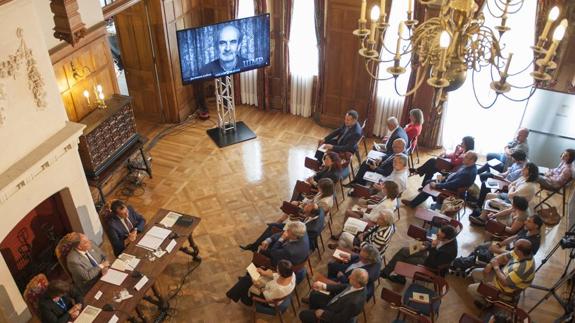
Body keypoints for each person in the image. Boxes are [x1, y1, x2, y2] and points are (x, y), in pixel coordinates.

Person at [241, 179, 334, 252]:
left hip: (299, 228)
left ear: (325, 189)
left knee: (276, 224)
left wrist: (300, 210)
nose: (318, 188)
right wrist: (301, 203)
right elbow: (312, 203)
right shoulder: (322, 194)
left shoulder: (324, 203)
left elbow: (309, 214)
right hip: (305, 218)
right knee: (290, 206)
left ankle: (258, 244)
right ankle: (256, 244)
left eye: (320, 187)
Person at [467, 239, 535, 308]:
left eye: (515, 247)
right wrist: (490, 264)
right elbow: (504, 257)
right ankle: (486, 293)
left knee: (470, 289)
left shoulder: (523, 269)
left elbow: (505, 283)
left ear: (520, 252)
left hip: (504, 290)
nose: (513, 248)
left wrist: (496, 268)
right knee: (475, 272)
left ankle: (486, 303)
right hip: (500, 276)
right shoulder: (522, 254)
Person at [380, 225, 458, 284]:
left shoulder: (450, 251)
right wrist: (426, 245)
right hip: (428, 250)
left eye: (439, 236)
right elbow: (435, 243)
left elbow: (433, 263)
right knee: (404, 250)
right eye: (437, 234)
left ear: (446, 238)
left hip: (429, 263)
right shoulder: (446, 237)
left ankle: (400, 278)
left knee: (405, 260)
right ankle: (385, 272)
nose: (437, 236)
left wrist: (433, 247)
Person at [402, 151, 478, 208]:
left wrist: (437, 185)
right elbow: (456, 177)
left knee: (429, 184)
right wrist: (447, 175)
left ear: (472, 160)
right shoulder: (469, 166)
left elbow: (452, 185)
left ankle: (418, 202)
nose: (464, 157)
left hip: (452, 190)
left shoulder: (468, 173)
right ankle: (433, 199)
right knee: (429, 178)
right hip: (449, 181)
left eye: (466, 157)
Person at [299, 268, 368, 323]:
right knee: (314, 294)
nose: (349, 277)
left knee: (303, 315)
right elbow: (343, 287)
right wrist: (324, 286)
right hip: (335, 302)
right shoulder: (360, 286)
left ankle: (316, 316)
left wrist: (323, 314)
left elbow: (340, 319)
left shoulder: (354, 303)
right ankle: (314, 312)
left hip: (334, 313)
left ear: (358, 284)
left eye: (351, 277)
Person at [225, 260, 296, 306]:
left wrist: (259, 286)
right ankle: (231, 295)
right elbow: (276, 276)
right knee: (247, 279)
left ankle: (240, 298)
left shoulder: (279, 289)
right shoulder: (292, 275)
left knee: (246, 281)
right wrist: (264, 273)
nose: (276, 270)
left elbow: (268, 297)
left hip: (267, 299)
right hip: (270, 289)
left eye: (277, 269)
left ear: (281, 273)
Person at [410, 136, 475, 185]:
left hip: (449, 171)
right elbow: (452, 155)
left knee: (432, 162)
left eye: (462, 142)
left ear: (467, 144)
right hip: (448, 166)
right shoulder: (463, 150)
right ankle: (423, 182)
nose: (461, 143)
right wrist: (445, 155)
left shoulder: (466, 155)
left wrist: (455, 151)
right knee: (431, 167)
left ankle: (419, 171)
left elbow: (453, 162)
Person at [329, 209, 395, 252]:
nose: (377, 218)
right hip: (367, 239)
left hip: (367, 249)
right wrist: (364, 233)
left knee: (344, 234)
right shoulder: (387, 225)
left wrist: (361, 240)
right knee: (344, 238)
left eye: (380, 218)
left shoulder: (382, 236)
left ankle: (340, 251)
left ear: (385, 221)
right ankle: (340, 249)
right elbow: (374, 228)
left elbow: (371, 250)